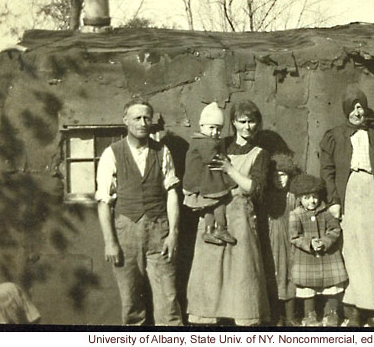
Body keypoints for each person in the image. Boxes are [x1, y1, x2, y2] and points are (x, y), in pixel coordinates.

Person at [319, 85, 374, 327]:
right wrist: (333, 201)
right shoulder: (334, 136)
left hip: (373, 196)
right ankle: (354, 312)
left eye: (362, 106)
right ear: (346, 110)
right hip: (348, 196)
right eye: (354, 107)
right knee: (351, 253)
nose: (359, 112)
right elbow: (327, 171)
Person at [95, 99, 183, 326]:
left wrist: (173, 234)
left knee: (168, 301)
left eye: (146, 118)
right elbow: (104, 202)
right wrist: (110, 242)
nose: (142, 123)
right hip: (126, 233)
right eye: (137, 118)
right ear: (125, 121)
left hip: (159, 232)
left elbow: (172, 193)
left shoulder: (162, 151)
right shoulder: (111, 153)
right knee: (131, 304)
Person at [185, 100, 271, 326]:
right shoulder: (216, 143)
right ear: (233, 123)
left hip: (240, 216)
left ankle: (243, 323)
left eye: (252, 121)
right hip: (213, 211)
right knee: (210, 271)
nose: (247, 126)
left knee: (242, 273)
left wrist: (229, 169)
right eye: (242, 121)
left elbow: (254, 188)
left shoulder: (260, 154)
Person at [288, 174, 348, 327]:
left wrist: (325, 241)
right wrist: (309, 243)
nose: (312, 201)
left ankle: (331, 313)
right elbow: (294, 236)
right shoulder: (296, 215)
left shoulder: (326, 212)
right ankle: (310, 314)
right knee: (308, 287)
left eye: (314, 197)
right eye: (307, 197)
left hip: (328, 256)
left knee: (332, 286)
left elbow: (335, 229)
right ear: (300, 199)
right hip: (306, 258)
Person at [183, 102, 238, 246]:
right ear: (202, 126)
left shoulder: (201, 140)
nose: (215, 132)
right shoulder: (205, 142)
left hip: (203, 181)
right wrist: (224, 158)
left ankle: (208, 230)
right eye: (211, 127)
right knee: (220, 201)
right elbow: (210, 157)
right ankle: (221, 227)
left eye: (219, 129)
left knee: (209, 206)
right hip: (205, 182)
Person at [263, 153, 300, 326]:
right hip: (272, 241)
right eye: (275, 176)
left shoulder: (293, 197)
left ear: (290, 175)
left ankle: (291, 316)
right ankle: (276, 316)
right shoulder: (266, 196)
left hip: (290, 240)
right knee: (274, 275)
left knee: (291, 274)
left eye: (283, 175)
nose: (279, 179)